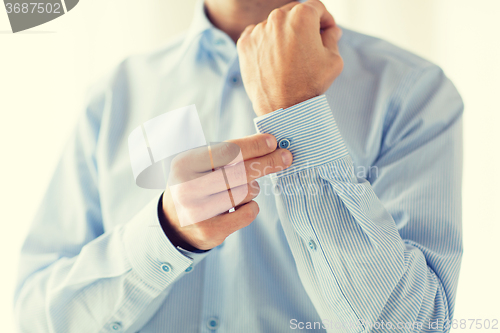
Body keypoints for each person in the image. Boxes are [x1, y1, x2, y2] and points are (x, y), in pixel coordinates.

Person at [13, 0, 463, 332]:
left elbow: (415, 326)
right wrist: (164, 236)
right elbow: (35, 318)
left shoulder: (412, 93)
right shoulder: (115, 93)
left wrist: (297, 113)